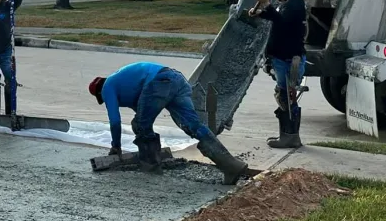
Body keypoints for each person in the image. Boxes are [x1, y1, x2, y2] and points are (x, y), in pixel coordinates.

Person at [87, 63, 258, 184]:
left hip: (159, 80)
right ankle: (230, 166)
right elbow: (143, 111)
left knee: (140, 125)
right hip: (175, 79)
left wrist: (115, 146)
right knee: (193, 126)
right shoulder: (124, 82)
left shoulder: (108, 86)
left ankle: (151, 168)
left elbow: (115, 122)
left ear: (100, 92)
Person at [249, 0, 308, 148]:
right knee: (285, 96)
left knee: (287, 98)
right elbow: (279, 18)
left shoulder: (294, 5)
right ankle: (289, 136)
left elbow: (282, 21)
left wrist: (266, 4)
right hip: (284, 59)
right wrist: (260, 12)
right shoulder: (291, 4)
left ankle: (290, 137)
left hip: (289, 60)